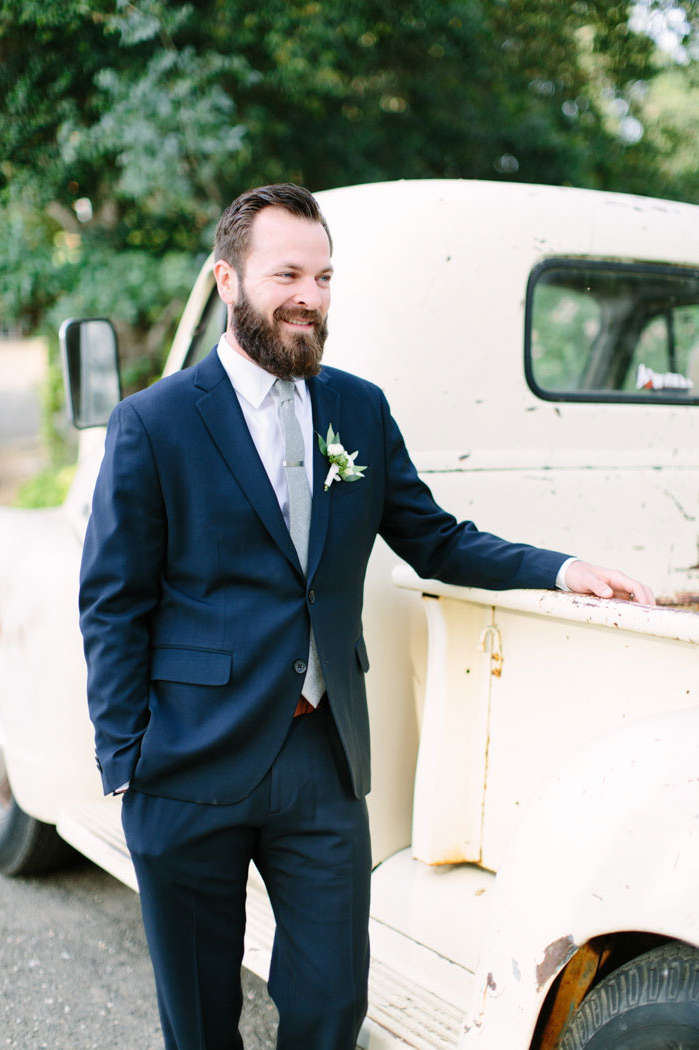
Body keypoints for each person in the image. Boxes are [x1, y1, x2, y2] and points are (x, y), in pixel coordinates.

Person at [78, 183, 654, 1050]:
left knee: (333, 1005)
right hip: (186, 762)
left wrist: (565, 568)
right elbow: (113, 602)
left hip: (322, 756)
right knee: (198, 1024)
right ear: (228, 281)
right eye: (287, 275)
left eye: (324, 276)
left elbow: (437, 540)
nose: (309, 296)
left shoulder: (358, 409)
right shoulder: (153, 424)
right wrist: (126, 761)